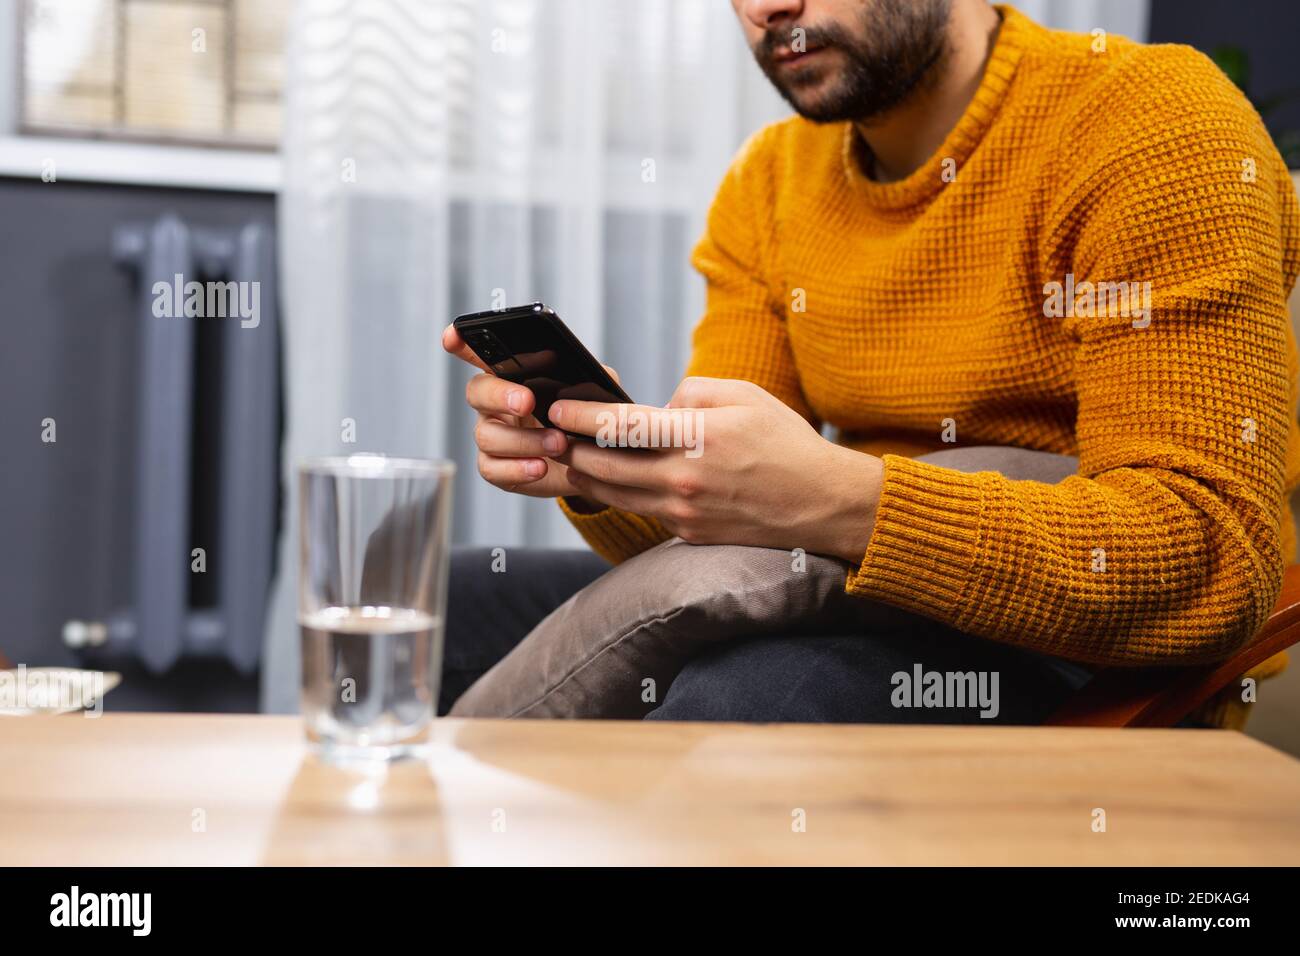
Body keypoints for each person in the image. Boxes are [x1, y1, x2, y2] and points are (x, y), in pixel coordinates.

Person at [438, 0, 1300, 724]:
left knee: (747, 701)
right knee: (452, 598)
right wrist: (600, 463)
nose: (767, 7)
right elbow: (712, 542)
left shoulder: (1152, 123)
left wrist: (839, 499)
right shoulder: (772, 181)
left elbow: (1214, 557)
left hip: (1067, 640)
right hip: (834, 574)